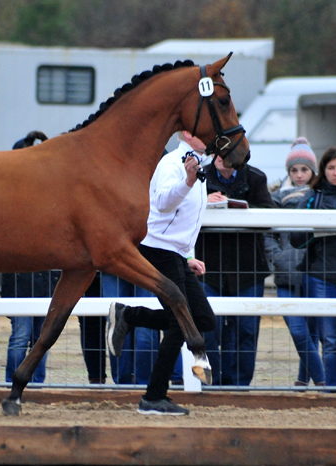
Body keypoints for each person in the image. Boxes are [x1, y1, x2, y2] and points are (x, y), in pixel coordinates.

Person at [106, 131, 216, 415]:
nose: (211, 135)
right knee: (180, 322)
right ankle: (154, 397)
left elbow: (187, 218)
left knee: (202, 318)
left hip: (175, 252)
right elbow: (164, 202)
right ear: (188, 134)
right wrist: (188, 181)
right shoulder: (172, 163)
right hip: (157, 248)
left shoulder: (197, 162)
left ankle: (129, 315)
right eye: (205, 131)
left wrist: (188, 255)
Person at [197, 153, 275, 386]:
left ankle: (239, 385)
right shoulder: (198, 178)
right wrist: (203, 201)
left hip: (248, 268)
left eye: (229, 152)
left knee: (246, 330)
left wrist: (242, 209)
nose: (223, 157)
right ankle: (211, 382)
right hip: (206, 267)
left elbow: (268, 214)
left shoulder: (256, 178)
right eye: (218, 152)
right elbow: (180, 210)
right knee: (207, 328)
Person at [265, 137, 324, 387]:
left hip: (315, 272)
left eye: (304, 169)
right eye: (294, 170)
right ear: (288, 171)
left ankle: (302, 380)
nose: (299, 175)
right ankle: (325, 382)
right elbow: (268, 235)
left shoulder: (320, 197)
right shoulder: (275, 198)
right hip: (287, 273)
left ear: (312, 171)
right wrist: (280, 258)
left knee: (312, 333)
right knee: (299, 331)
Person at [3, 132, 59, 384]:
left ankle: (33, 384)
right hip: (22, 284)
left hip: (43, 283)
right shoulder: (10, 201)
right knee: (23, 335)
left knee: (38, 337)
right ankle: (17, 381)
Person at [291, 146, 336, 390]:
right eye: (331, 168)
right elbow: (295, 238)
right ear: (323, 171)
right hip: (322, 276)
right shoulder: (313, 196)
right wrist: (319, 228)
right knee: (331, 340)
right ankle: (334, 391)